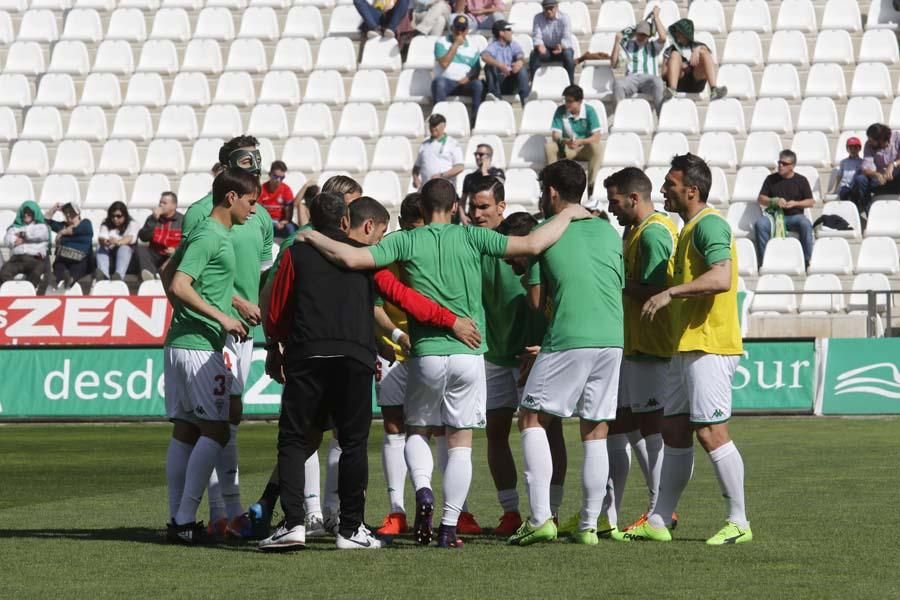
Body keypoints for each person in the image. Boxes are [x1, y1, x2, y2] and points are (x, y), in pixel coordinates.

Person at [296, 178, 591, 548]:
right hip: (469, 353)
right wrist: (571, 213)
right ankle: (449, 526)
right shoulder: (473, 238)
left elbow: (352, 257)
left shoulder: (405, 240)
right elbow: (533, 243)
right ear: (455, 207)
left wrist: (309, 236)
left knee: (417, 430)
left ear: (421, 205)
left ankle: (422, 490)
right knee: (460, 442)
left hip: (427, 352)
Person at [627, 153, 751, 546]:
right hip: (687, 345)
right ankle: (660, 519)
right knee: (674, 431)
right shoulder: (687, 229)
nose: (663, 189)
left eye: (670, 183)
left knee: (711, 431)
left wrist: (670, 293)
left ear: (692, 190)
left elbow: (721, 276)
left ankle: (739, 521)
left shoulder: (709, 225)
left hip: (709, 344)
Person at [507, 160, 624, 547]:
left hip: (570, 336)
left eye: (543, 190)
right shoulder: (608, 232)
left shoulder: (545, 233)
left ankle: (541, 517)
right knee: (595, 428)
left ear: (552, 192)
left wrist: (528, 278)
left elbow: (538, 302)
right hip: (612, 337)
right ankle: (589, 525)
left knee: (531, 417)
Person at [181, 136, 275, 540]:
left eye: (257, 171)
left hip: (244, 330)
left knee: (230, 415)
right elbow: (192, 274)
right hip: (214, 327)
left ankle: (222, 511)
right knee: (216, 419)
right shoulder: (201, 214)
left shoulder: (262, 217)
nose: (253, 182)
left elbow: (264, 273)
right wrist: (235, 303)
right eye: (246, 171)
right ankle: (225, 510)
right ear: (225, 171)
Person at [162, 168, 258, 544]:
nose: (254, 211)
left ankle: (178, 520)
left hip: (182, 342)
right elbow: (179, 283)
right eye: (251, 202)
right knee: (217, 430)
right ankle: (185, 518)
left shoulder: (205, 231)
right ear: (231, 198)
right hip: (201, 347)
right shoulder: (211, 234)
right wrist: (222, 316)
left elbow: (169, 271)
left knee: (186, 430)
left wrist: (225, 302)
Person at [469, 179, 568, 538]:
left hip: (540, 353)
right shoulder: (474, 249)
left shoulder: (534, 243)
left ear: (501, 206)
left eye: (484, 207)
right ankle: (510, 512)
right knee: (496, 432)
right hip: (495, 354)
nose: (478, 214)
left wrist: (546, 345)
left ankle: (551, 512)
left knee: (547, 430)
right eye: (473, 207)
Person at [603, 167, 677, 536]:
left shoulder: (654, 235)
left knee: (650, 425)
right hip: (634, 341)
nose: (611, 208)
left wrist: (611, 283)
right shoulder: (634, 231)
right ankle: (617, 512)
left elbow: (656, 289)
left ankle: (660, 510)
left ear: (634, 198)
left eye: (615, 201)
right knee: (625, 422)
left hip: (654, 341)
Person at [753, 149, 814, 268]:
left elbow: (811, 202)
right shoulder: (771, 179)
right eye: (779, 162)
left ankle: (806, 261)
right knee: (760, 224)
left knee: (805, 224)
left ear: (792, 166)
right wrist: (773, 201)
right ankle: (764, 261)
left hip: (795, 217)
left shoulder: (801, 180)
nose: (780, 166)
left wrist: (795, 204)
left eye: (784, 164)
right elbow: (761, 199)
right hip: (775, 216)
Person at [544, 84, 603, 194]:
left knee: (597, 147)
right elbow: (555, 134)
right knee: (550, 147)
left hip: (583, 148)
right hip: (567, 148)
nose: (567, 104)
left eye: (570, 101)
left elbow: (597, 136)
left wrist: (581, 141)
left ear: (580, 101)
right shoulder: (560, 110)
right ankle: (551, 184)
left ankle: (592, 185)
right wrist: (566, 141)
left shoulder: (590, 111)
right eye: (566, 100)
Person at [432, 15, 485, 128]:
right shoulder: (441, 42)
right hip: (447, 82)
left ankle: (475, 123)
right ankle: (439, 122)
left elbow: (476, 68)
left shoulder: (473, 46)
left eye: (463, 29)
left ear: (467, 30)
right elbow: (444, 63)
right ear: (452, 28)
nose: (460, 32)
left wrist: (469, 78)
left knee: (478, 84)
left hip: (465, 83)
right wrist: (455, 44)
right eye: (457, 28)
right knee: (439, 82)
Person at [611, 10, 667, 113]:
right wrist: (616, 42)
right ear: (636, 33)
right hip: (632, 78)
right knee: (618, 84)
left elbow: (663, 37)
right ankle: (620, 118)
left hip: (649, 79)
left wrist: (656, 17)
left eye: (644, 34)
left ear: (649, 35)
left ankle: (662, 119)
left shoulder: (653, 46)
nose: (641, 37)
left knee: (658, 82)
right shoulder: (628, 46)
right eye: (640, 34)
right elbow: (614, 64)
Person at [662, 19, 726, 101]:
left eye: (679, 32)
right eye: (676, 31)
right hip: (679, 82)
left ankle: (714, 89)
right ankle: (672, 89)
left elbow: (707, 55)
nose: (676, 34)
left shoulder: (699, 46)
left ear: (685, 33)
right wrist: (679, 67)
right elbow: (663, 75)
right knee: (675, 54)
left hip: (695, 81)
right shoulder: (669, 50)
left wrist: (697, 50)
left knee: (704, 53)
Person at [850, 123, 900, 222]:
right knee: (860, 179)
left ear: (881, 140)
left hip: (897, 179)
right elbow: (865, 167)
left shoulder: (897, 137)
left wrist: (893, 164)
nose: (870, 142)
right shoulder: (869, 145)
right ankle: (872, 217)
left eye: (872, 140)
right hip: (880, 182)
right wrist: (876, 174)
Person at [482, 20, 533, 105]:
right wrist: (500, 65)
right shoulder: (493, 46)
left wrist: (519, 62)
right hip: (499, 81)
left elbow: (520, 55)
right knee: (489, 66)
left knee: (522, 69)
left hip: (511, 80)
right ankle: (495, 97)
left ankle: (526, 99)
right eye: (508, 29)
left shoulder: (513, 44)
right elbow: (484, 56)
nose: (511, 32)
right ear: (501, 33)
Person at [1, 200, 49, 289]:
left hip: (34, 259)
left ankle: (27, 293)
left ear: (34, 213)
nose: (26, 215)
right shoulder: (15, 227)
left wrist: (24, 236)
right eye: (24, 213)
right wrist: (15, 241)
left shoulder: (41, 227)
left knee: (36, 272)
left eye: (29, 213)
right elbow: (7, 240)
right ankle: (12, 293)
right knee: (4, 272)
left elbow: (40, 235)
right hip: (16, 259)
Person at [45, 201, 93, 292]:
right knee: (59, 266)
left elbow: (77, 230)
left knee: (78, 267)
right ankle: (58, 280)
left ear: (77, 213)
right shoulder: (63, 225)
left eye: (71, 211)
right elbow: (46, 221)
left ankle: (70, 279)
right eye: (65, 212)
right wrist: (54, 209)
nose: (68, 214)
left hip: (80, 258)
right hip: (64, 257)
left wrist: (62, 232)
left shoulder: (86, 223)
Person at [137, 192, 184, 282]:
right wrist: (153, 220)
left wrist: (176, 250)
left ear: (174, 205)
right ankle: (151, 276)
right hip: (155, 254)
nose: (161, 205)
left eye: (164, 203)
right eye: (160, 202)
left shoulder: (183, 220)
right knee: (141, 249)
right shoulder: (152, 218)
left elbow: (188, 241)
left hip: (173, 256)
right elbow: (143, 237)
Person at [412, 114, 464, 190]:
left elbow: (459, 167)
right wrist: (415, 178)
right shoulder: (424, 144)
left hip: (444, 189)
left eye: (436, 125)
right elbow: (416, 167)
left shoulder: (452, 143)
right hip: (426, 189)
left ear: (444, 125)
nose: (433, 128)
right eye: (431, 125)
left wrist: (441, 176)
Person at [529, 0, 575, 85]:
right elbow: (536, 35)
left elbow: (567, 38)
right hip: (546, 49)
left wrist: (561, 46)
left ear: (557, 7)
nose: (548, 11)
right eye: (546, 9)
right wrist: (539, 45)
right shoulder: (538, 18)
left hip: (562, 49)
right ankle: (534, 83)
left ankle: (570, 84)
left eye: (551, 8)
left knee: (568, 55)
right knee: (534, 55)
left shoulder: (565, 18)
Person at [96, 201, 139, 281]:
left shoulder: (132, 224)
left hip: (128, 260)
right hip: (110, 257)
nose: (115, 219)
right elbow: (102, 237)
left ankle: (118, 276)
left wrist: (118, 242)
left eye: (118, 216)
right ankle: (103, 274)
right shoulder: (106, 223)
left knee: (124, 247)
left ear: (125, 215)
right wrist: (105, 242)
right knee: (100, 247)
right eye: (112, 216)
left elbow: (130, 238)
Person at [460, 143, 505, 217]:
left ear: (489, 157)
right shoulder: (469, 177)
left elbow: (497, 187)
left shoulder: (498, 172)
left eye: (481, 154)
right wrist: (463, 216)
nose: (477, 157)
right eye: (476, 154)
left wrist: (484, 171)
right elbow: (463, 200)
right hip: (473, 217)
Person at [258, 160, 296, 239]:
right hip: (266, 222)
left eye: (281, 177)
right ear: (269, 174)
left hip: (281, 223)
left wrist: (284, 222)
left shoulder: (286, 190)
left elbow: (288, 215)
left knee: (292, 229)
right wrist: (272, 222)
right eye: (275, 176)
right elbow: (258, 213)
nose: (278, 180)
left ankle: (289, 251)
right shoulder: (261, 190)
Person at [834, 137, 863, 202]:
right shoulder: (843, 162)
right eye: (850, 148)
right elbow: (839, 175)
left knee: (856, 196)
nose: (853, 150)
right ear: (847, 149)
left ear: (859, 149)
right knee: (843, 193)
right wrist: (834, 189)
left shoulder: (862, 162)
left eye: (855, 148)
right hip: (845, 186)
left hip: (855, 187)